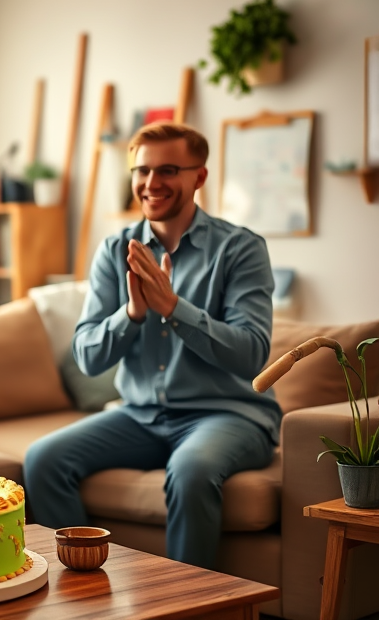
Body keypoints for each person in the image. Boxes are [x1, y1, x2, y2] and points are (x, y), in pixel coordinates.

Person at [22, 122, 280, 569]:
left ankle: (185, 608)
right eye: (142, 170)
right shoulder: (114, 249)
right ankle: (82, 595)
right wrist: (133, 314)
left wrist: (173, 307)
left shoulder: (240, 249)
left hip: (228, 415)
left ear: (198, 177)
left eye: (168, 170)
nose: (151, 183)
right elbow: (87, 355)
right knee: (42, 459)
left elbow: (252, 354)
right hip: (139, 416)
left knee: (193, 471)